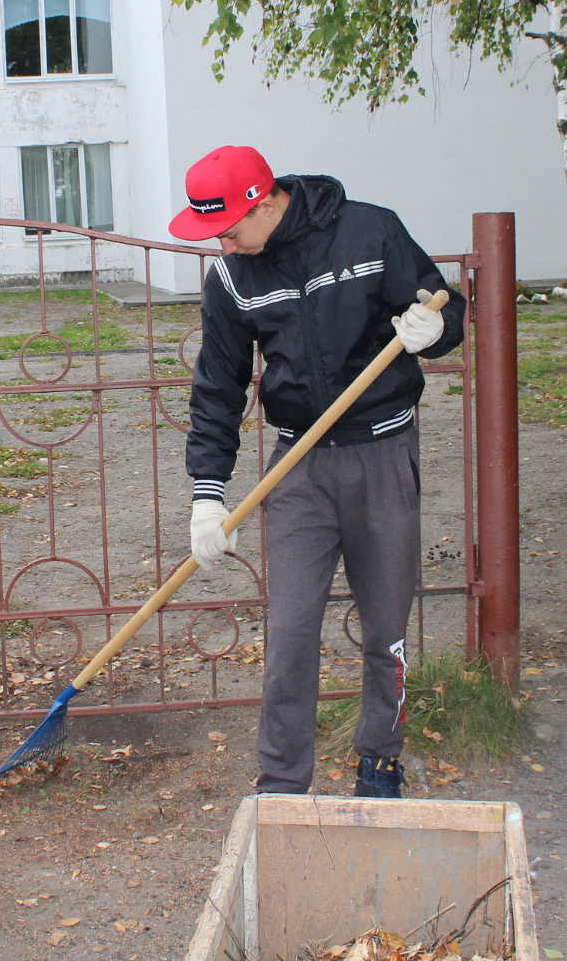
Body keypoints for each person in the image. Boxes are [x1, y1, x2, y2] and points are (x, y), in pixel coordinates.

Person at [170, 145, 466, 798]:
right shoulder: (232, 278)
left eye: (228, 226)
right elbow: (217, 388)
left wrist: (433, 327)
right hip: (299, 465)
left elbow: (448, 309)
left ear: (264, 200)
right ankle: (281, 777)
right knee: (292, 629)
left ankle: (381, 759)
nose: (224, 241)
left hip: (383, 454)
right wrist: (207, 494)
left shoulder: (369, 230)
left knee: (387, 625)